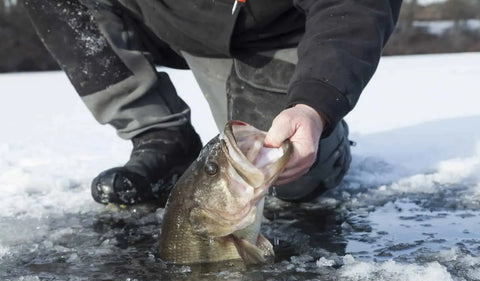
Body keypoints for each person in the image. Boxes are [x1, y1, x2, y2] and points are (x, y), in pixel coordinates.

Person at [22, 0, 402, 205]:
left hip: (276, 38)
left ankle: (325, 142)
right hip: (166, 21)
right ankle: (160, 137)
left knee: (281, 178)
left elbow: (354, 6)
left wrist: (315, 104)